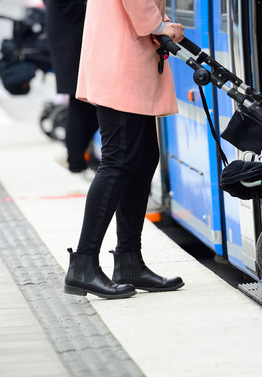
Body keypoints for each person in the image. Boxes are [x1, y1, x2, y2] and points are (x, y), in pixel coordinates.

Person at [63, 0, 185, 299]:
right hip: (120, 61)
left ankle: (129, 260)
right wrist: (159, 26)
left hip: (131, 57)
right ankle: (83, 264)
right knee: (119, 162)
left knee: (142, 159)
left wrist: (163, 23)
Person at [45, 0, 98, 181]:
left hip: (70, 32)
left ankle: (74, 159)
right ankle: (74, 163)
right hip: (72, 36)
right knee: (81, 103)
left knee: (85, 103)